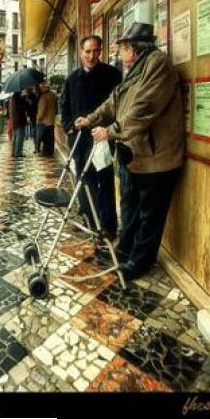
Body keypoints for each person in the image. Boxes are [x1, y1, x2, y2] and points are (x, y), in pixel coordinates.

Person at [75, 22, 185, 281]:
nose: (119, 54)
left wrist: (110, 131)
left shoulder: (157, 63)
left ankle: (141, 261)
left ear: (134, 48)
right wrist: (90, 119)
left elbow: (144, 108)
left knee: (150, 216)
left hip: (157, 159)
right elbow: (115, 100)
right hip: (135, 155)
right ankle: (124, 251)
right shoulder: (135, 67)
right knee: (130, 208)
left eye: (123, 48)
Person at [62, 34, 122, 238]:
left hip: (101, 138)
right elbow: (65, 107)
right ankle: (89, 215)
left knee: (104, 180)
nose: (91, 55)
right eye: (87, 51)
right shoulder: (71, 79)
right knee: (83, 178)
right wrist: (69, 127)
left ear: (101, 52)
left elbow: (119, 106)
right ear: (81, 53)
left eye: (96, 51)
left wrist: (110, 130)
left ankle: (107, 226)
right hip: (79, 140)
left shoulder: (112, 75)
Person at [36, 81, 58, 156]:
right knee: (51, 137)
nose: (40, 89)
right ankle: (50, 151)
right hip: (52, 120)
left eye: (41, 87)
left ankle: (45, 152)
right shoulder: (53, 95)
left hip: (45, 121)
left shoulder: (43, 97)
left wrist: (38, 118)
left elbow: (42, 109)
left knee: (45, 138)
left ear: (44, 88)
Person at [9, 92, 26, 158]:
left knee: (15, 137)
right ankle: (18, 152)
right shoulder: (18, 98)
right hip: (19, 121)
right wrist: (24, 100)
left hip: (14, 121)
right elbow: (21, 109)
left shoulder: (12, 98)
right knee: (19, 137)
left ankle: (13, 152)